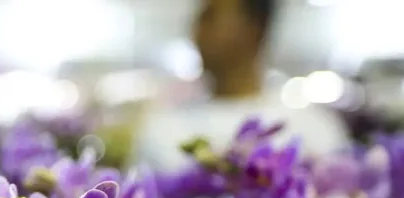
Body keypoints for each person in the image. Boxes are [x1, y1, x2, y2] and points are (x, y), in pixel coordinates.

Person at [134, 0, 350, 172]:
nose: (196, 32)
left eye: (210, 18)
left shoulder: (313, 129)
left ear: (256, 28)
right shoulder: (163, 128)